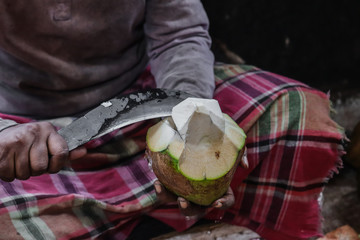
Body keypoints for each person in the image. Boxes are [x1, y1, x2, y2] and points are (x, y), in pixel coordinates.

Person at [0, 1, 344, 239]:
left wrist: (197, 113)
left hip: (140, 101)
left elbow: (179, 36)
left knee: (296, 111)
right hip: (21, 126)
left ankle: (144, 219)